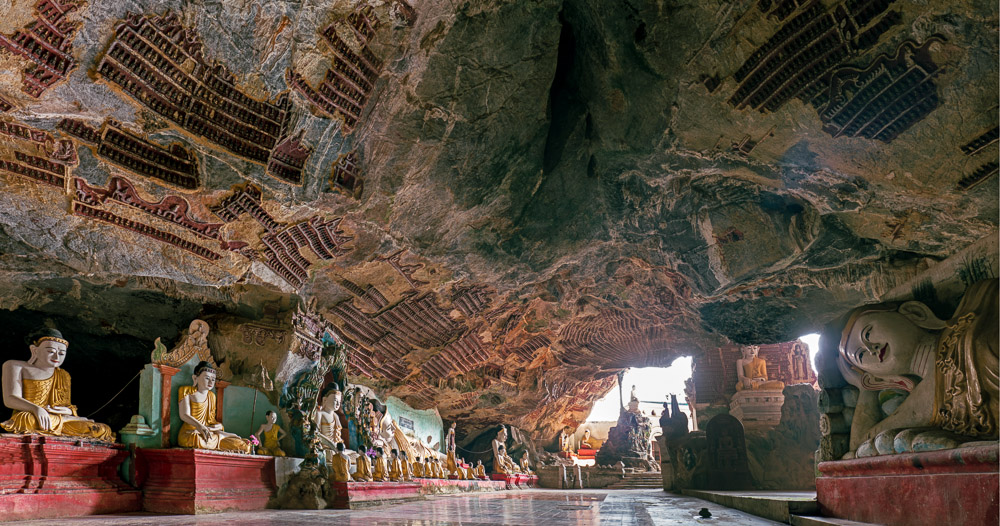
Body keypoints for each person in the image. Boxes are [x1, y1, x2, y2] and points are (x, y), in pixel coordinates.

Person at [1, 328, 114, 441]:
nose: (56, 357)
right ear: (34, 350)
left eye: (61, 353)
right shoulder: (15, 366)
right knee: (27, 420)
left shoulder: (63, 375)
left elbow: (65, 405)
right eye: (51, 351)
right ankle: (58, 422)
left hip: (56, 418)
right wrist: (36, 409)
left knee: (102, 429)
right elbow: (10, 399)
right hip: (31, 416)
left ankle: (61, 423)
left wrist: (68, 412)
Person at [178, 361, 251, 453]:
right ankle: (220, 438)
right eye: (207, 378)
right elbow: (184, 415)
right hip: (191, 433)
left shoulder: (211, 396)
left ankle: (222, 437)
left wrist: (219, 428)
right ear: (195, 378)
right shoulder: (186, 391)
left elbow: (211, 421)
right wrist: (200, 426)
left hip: (210, 433)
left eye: (213, 379)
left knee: (243, 446)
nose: (210, 382)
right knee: (198, 440)